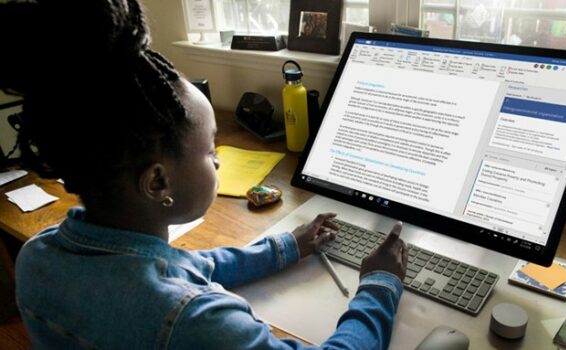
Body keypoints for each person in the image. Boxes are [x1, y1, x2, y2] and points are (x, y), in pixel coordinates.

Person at [0, 0, 408, 349]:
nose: (217, 162)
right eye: (210, 150)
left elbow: (185, 265)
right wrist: (378, 285)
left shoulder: (38, 256)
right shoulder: (195, 319)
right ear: (158, 182)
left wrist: (285, 247)